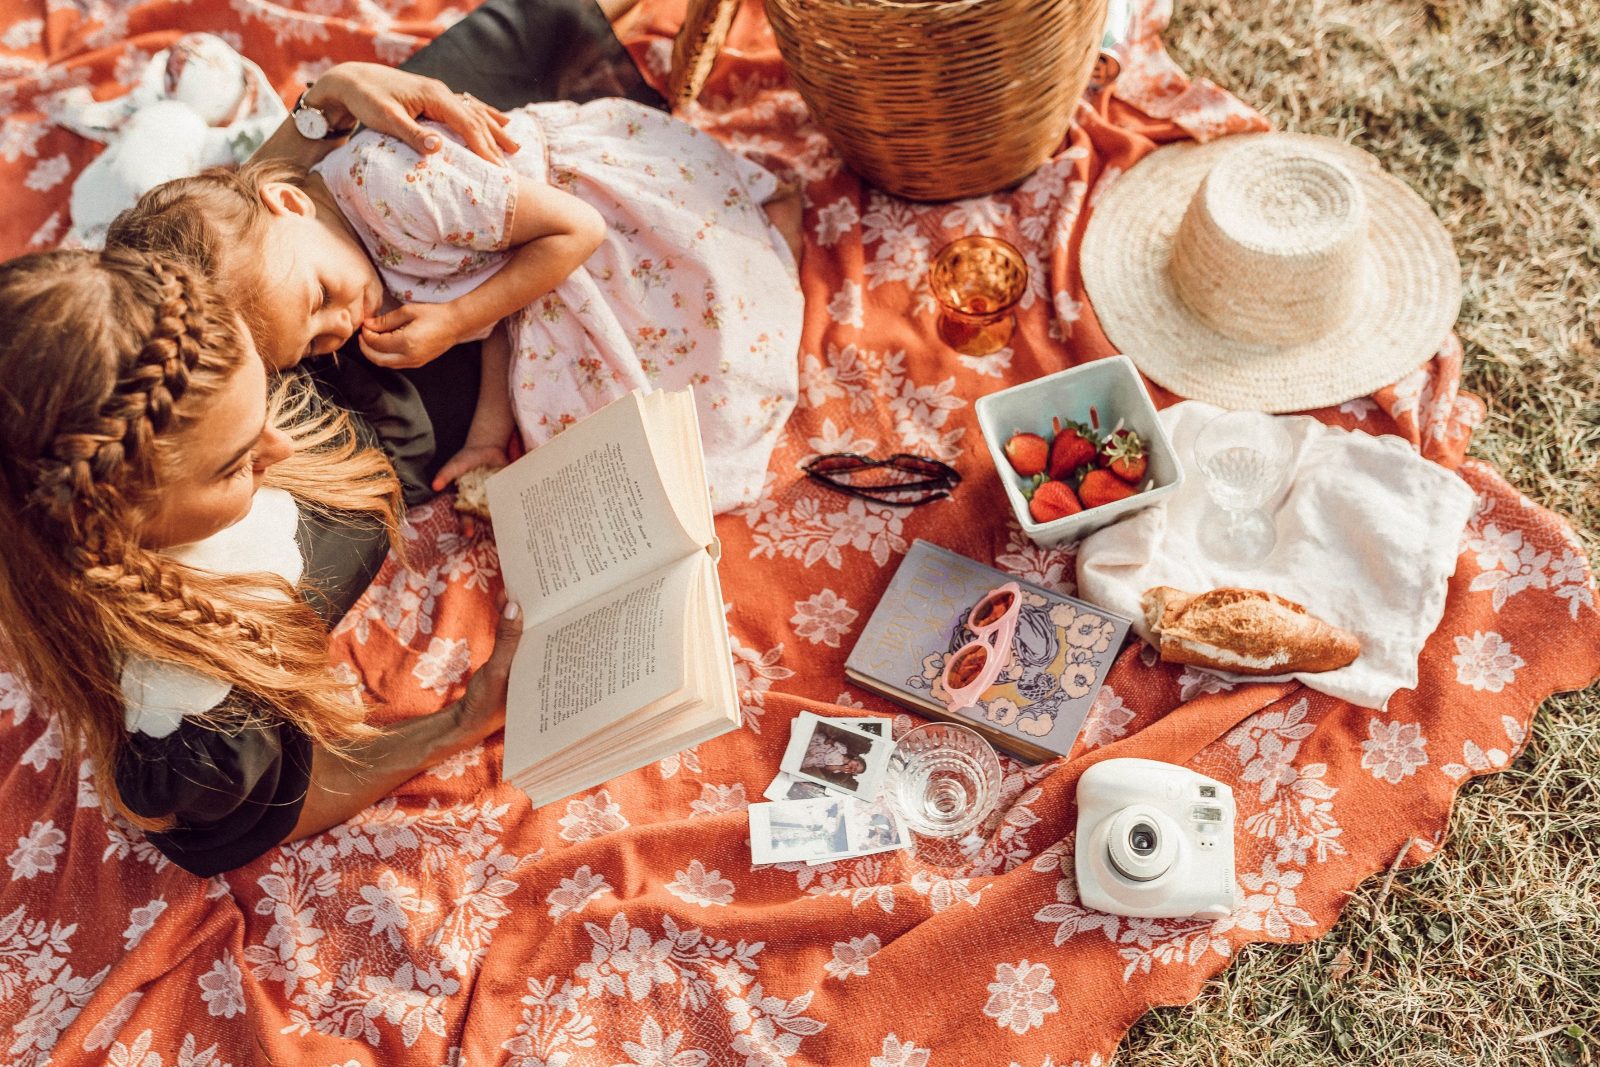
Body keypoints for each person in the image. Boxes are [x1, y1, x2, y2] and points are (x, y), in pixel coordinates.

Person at [0, 248, 524, 877]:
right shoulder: (192, 719)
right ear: (112, 525)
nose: (281, 443)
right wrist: (464, 721)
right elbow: (280, 805)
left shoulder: (158, 353)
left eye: (265, 395)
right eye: (233, 463)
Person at [108, 97, 805, 511]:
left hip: (588, 217)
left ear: (290, 201)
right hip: (535, 268)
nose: (340, 325)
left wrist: (454, 320)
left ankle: (775, 232)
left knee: (715, 325)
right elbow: (498, 308)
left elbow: (576, 232)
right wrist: (481, 439)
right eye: (317, 344)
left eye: (320, 300)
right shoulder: (336, 257)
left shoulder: (393, 186)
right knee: (606, 445)